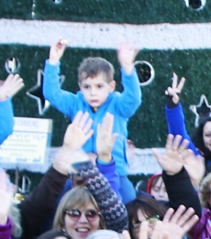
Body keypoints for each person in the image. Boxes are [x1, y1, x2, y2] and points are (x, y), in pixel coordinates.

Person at [44, 42, 145, 202]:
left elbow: (134, 98)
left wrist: (127, 69)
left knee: (129, 202)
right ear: (80, 87)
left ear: (111, 86)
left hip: (115, 172)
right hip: (80, 174)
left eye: (99, 86)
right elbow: (51, 93)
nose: (93, 93)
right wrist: (53, 62)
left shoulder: (118, 104)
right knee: (57, 204)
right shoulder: (75, 103)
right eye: (87, 87)